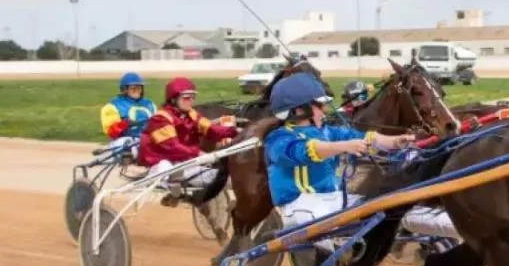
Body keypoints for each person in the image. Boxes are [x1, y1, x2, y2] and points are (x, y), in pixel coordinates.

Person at [263, 71, 415, 256]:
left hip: (333, 199)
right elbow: (305, 151)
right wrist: (344, 146)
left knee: (378, 205)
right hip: (300, 205)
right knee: (322, 221)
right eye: (319, 105)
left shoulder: (328, 131)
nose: (324, 110)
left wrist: (395, 141)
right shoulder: (278, 138)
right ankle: (328, 257)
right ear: (299, 110)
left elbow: (367, 137)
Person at [137, 76, 238, 211]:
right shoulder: (160, 118)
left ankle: (190, 195)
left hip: (185, 163)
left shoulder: (192, 115)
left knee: (220, 176)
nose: (191, 101)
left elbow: (211, 130)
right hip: (160, 162)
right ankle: (175, 191)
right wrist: (198, 154)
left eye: (192, 97)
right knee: (165, 167)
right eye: (186, 98)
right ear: (173, 99)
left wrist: (235, 132)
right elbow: (172, 147)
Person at [100, 72, 156, 155]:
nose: (137, 91)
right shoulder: (113, 106)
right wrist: (125, 123)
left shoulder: (150, 104)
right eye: (133, 88)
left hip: (146, 139)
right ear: (124, 90)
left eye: (139, 88)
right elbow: (110, 131)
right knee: (127, 143)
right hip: (124, 139)